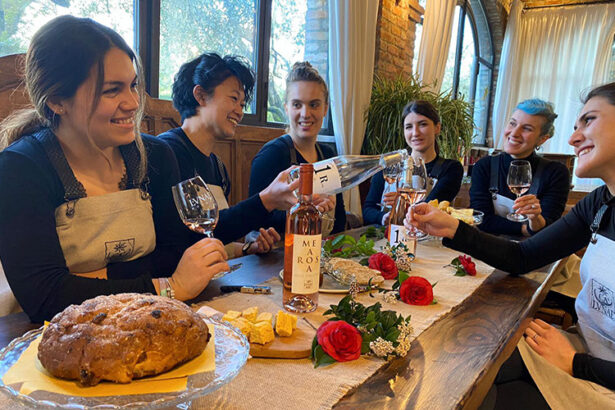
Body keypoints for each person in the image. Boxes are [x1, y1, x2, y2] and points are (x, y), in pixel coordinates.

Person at [0, 16, 229, 322]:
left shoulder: (156, 156)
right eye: (112, 90)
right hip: (53, 338)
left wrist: (90, 277)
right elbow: (45, 298)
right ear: (57, 101)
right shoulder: (21, 168)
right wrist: (167, 286)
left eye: (133, 85)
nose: (133, 102)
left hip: (148, 323)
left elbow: (176, 253)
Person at [406, 82, 615, 409]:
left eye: (589, 121)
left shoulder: (560, 177)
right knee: (460, 365)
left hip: (595, 374)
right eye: (575, 126)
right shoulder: (601, 203)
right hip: (578, 348)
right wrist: (452, 227)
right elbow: (522, 257)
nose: (574, 138)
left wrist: (576, 363)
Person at [158, 53, 299, 256]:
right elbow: (186, 239)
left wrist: (249, 247)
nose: (239, 112)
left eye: (242, 104)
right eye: (234, 99)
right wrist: (266, 200)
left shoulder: (218, 168)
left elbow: (213, 237)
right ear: (200, 95)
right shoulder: (167, 152)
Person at [249, 62, 345, 236]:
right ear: (286, 108)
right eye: (297, 105)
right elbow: (255, 223)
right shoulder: (271, 156)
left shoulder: (329, 156)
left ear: (325, 109)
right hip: (280, 257)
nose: (305, 113)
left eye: (314, 104)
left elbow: (339, 221)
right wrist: (307, 211)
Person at [470, 99, 570, 237]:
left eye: (527, 128)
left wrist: (535, 219)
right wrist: (526, 229)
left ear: (542, 139)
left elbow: (548, 227)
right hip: (487, 249)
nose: (514, 133)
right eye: (512, 123)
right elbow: (481, 219)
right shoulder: (484, 166)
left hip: (533, 254)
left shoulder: (555, 173)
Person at [363, 100, 464, 226]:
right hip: (385, 239)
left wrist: (402, 201)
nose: (415, 133)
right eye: (409, 127)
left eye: (422, 124)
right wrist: (383, 217)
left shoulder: (451, 169)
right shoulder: (389, 166)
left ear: (437, 128)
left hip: (427, 241)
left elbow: (429, 209)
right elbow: (368, 210)